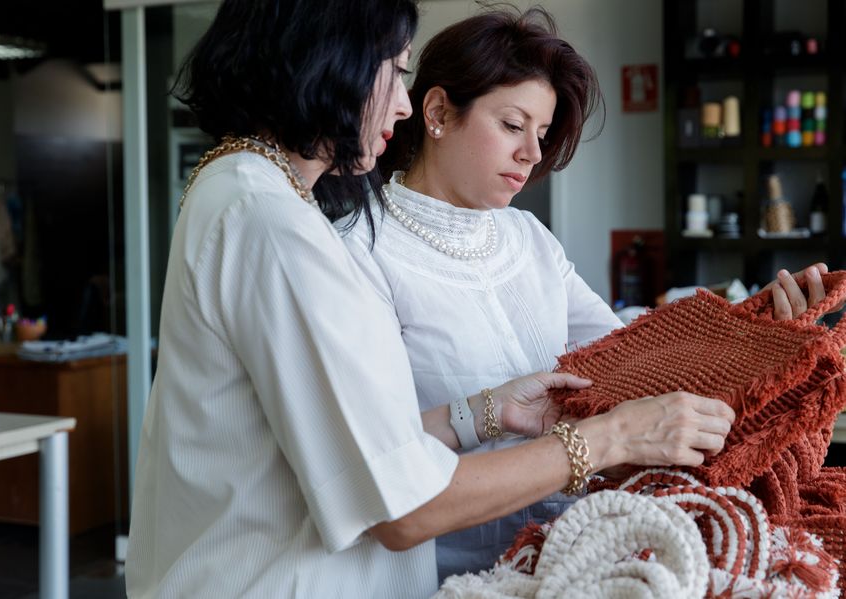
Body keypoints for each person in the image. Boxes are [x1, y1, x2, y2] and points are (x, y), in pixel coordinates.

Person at [126, 1, 742, 597]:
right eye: (394, 69)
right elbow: (401, 505)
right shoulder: (276, 222)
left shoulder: (249, 194)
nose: (402, 98)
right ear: (326, 56)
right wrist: (612, 438)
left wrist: (486, 412)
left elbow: (358, 446)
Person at [339, 7, 830, 581]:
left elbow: (633, 358)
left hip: (570, 561)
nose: (531, 154)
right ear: (439, 112)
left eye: (542, 134)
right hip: (442, 577)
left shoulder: (528, 239)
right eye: (511, 125)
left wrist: (757, 335)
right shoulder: (357, 251)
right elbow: (369, 461)